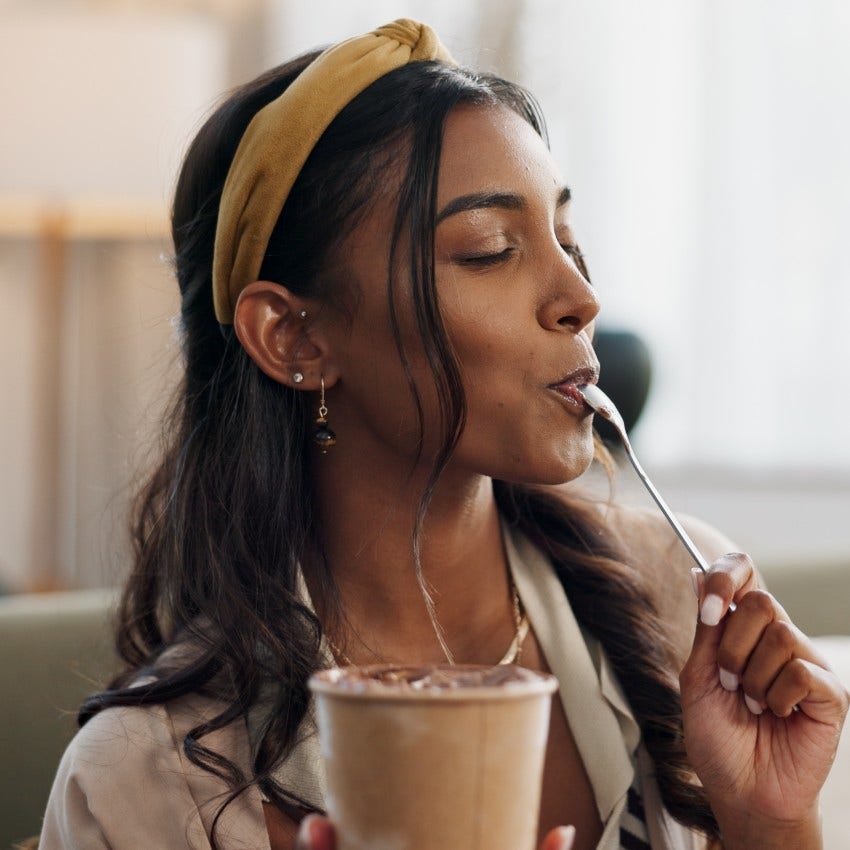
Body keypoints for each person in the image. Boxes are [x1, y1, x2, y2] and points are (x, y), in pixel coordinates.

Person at [39, 19, 847, 850]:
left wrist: (771, 822)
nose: (580, 295)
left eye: (567, 238)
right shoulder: (143, 784)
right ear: (295, 337)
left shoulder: (679, 609)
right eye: (490, 249)